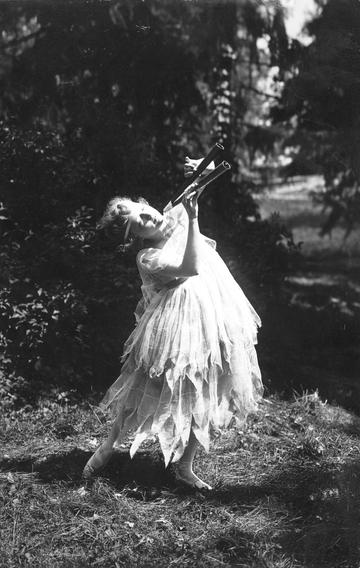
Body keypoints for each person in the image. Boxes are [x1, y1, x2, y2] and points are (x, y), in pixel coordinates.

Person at [83, 158, 263, 490]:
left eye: (144, 211)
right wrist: (192, 217)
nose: (150, 218)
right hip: (176, 322)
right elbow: (190, 266)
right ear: (137, 239)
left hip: (213, 309)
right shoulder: (148, 257)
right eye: (140, 225)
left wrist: (202, 170)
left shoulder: (169, 215)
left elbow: (199, 185)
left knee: (210, 380)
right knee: (148, 384)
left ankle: (185, 465)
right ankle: (110, 445)